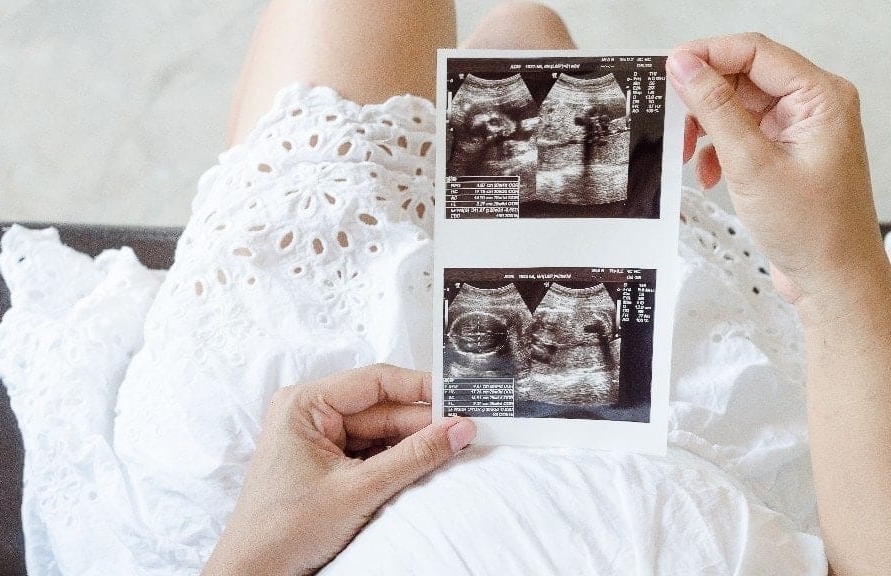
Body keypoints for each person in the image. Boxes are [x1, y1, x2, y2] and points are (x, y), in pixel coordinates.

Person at [201, 2, 891, 575]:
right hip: (694, 427)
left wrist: (250, 557)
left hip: (341, 434)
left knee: (462, 28)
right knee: (528, 32)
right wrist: (836, 280)